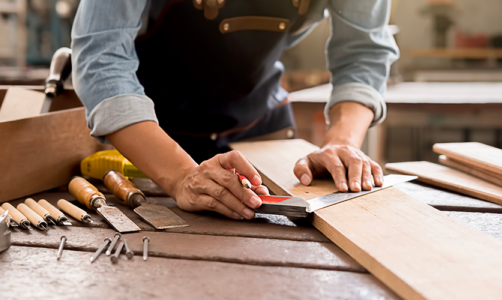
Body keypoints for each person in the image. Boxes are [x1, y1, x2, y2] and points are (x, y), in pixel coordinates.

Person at [71, 0, 399, 220]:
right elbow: (101, 57)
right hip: (150, 140)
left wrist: (341, 141)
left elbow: (364, 52)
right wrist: (180, 175)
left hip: (263, 130)